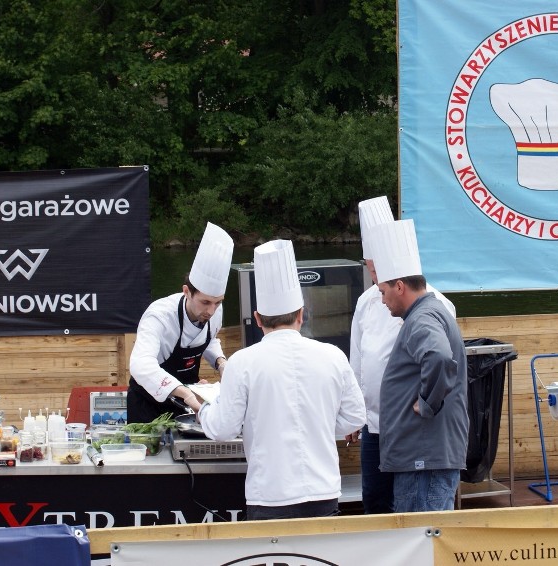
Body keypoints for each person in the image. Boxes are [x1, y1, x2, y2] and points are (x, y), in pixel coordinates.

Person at [198, 239, 366, 520]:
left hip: (269, 496)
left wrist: (200, 405)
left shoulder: (242, 362)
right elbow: (354, 418)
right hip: (323, 492)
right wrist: (321, 421)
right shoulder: (334, 355)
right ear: (302, 315)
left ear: (257, 318)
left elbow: (222, 428)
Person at [347, 195, 456, 514]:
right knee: (377, 507)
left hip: (414, 431)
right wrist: (355, 411)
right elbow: (359, 362)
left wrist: (425, 405)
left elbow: (439, 361)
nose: (374, 282)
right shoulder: (367, 303)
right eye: (369, 269)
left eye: (377, 272)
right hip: (375, 427)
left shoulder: (433, 307)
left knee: (414, 511)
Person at [367, 218, 468, 512]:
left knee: (423, 543)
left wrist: (427, 403)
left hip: (424, 459)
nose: (383, 300)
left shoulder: (422, 319)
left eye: (384, 291)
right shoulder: (428, 312)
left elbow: (437, 355)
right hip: (422, 456)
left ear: (400, 286)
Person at [127, 222, 234, 423]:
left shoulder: (215, 312)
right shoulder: (159, 316)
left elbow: (208, 338)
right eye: (205, 302)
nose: (211, 311)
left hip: (188, 405)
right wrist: (186, 394)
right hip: (147, 406)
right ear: (186, 292)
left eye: (218, 303)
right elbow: (140, 364)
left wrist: (221, 363)